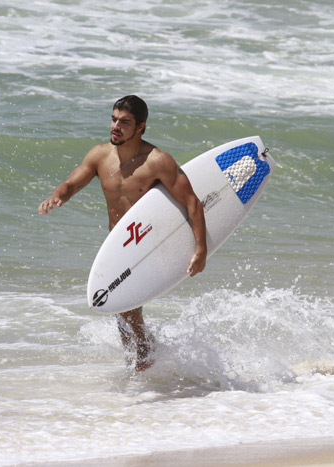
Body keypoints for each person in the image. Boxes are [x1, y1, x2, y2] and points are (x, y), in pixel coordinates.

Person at [38, 95, 207, 371]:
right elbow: (71, 184)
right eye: (114, 119)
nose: (116, 126)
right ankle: (147, 367)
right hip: (120, 246)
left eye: (125, 122)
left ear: (140, 127)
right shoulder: (99, 156)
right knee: (121, 312)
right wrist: (56, 196)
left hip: (148, 246)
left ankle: (146, 359)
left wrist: (201, 249)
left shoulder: (157, 161)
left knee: (126, 308)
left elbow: (191, 202)